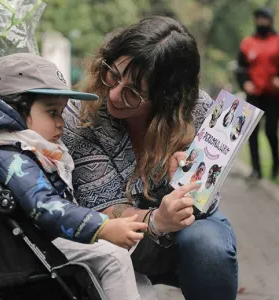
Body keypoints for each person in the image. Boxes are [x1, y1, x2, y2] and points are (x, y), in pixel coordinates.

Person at [63, 16, 238, 300]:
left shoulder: (200, 110)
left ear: (166, 98)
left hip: (184, 236)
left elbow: (205, 204)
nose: (115, 94)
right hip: (115, 240)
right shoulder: (81, 115)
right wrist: (157, 219)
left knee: (208, 244)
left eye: (133, 92)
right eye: (113, 75)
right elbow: (101, 207)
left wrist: (183, 186)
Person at [0, 53, 148, 300]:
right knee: (114, 258)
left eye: (61, 112)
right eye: (52, 112)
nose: (61, 123)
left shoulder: (27, 148)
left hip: (48, 237)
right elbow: (44, 205)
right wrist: (101, 227)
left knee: (138, 279)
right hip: (35, 244)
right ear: (14, 109)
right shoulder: (8, 156)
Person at [236, 7, 279, 180]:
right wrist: (245, 82)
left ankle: (275, 166)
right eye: (258, 18)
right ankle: (256, 169)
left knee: (271, 130)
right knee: (252, 132)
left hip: (274, 95)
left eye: (264, 18)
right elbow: (240, 68)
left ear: (270, 20)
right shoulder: (247, 43)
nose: (261, 22)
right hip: (254, 93)